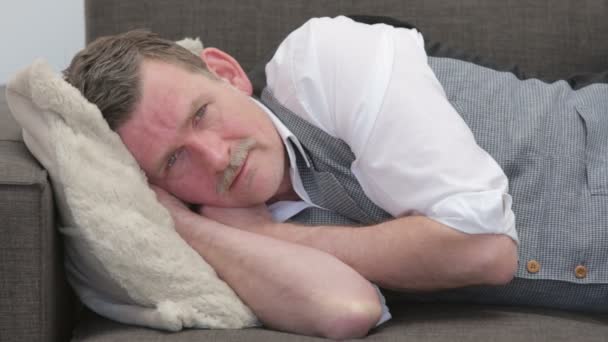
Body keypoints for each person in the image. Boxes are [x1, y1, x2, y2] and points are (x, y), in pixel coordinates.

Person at [63, 16, 608, 339]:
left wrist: (274, 236)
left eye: (201, 114)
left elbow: (484, 249)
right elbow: (348, 309)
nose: (214, 156)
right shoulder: (232, 233)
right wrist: (194, 229)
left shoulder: (320, 62)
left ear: (227, 73)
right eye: (172, 162)